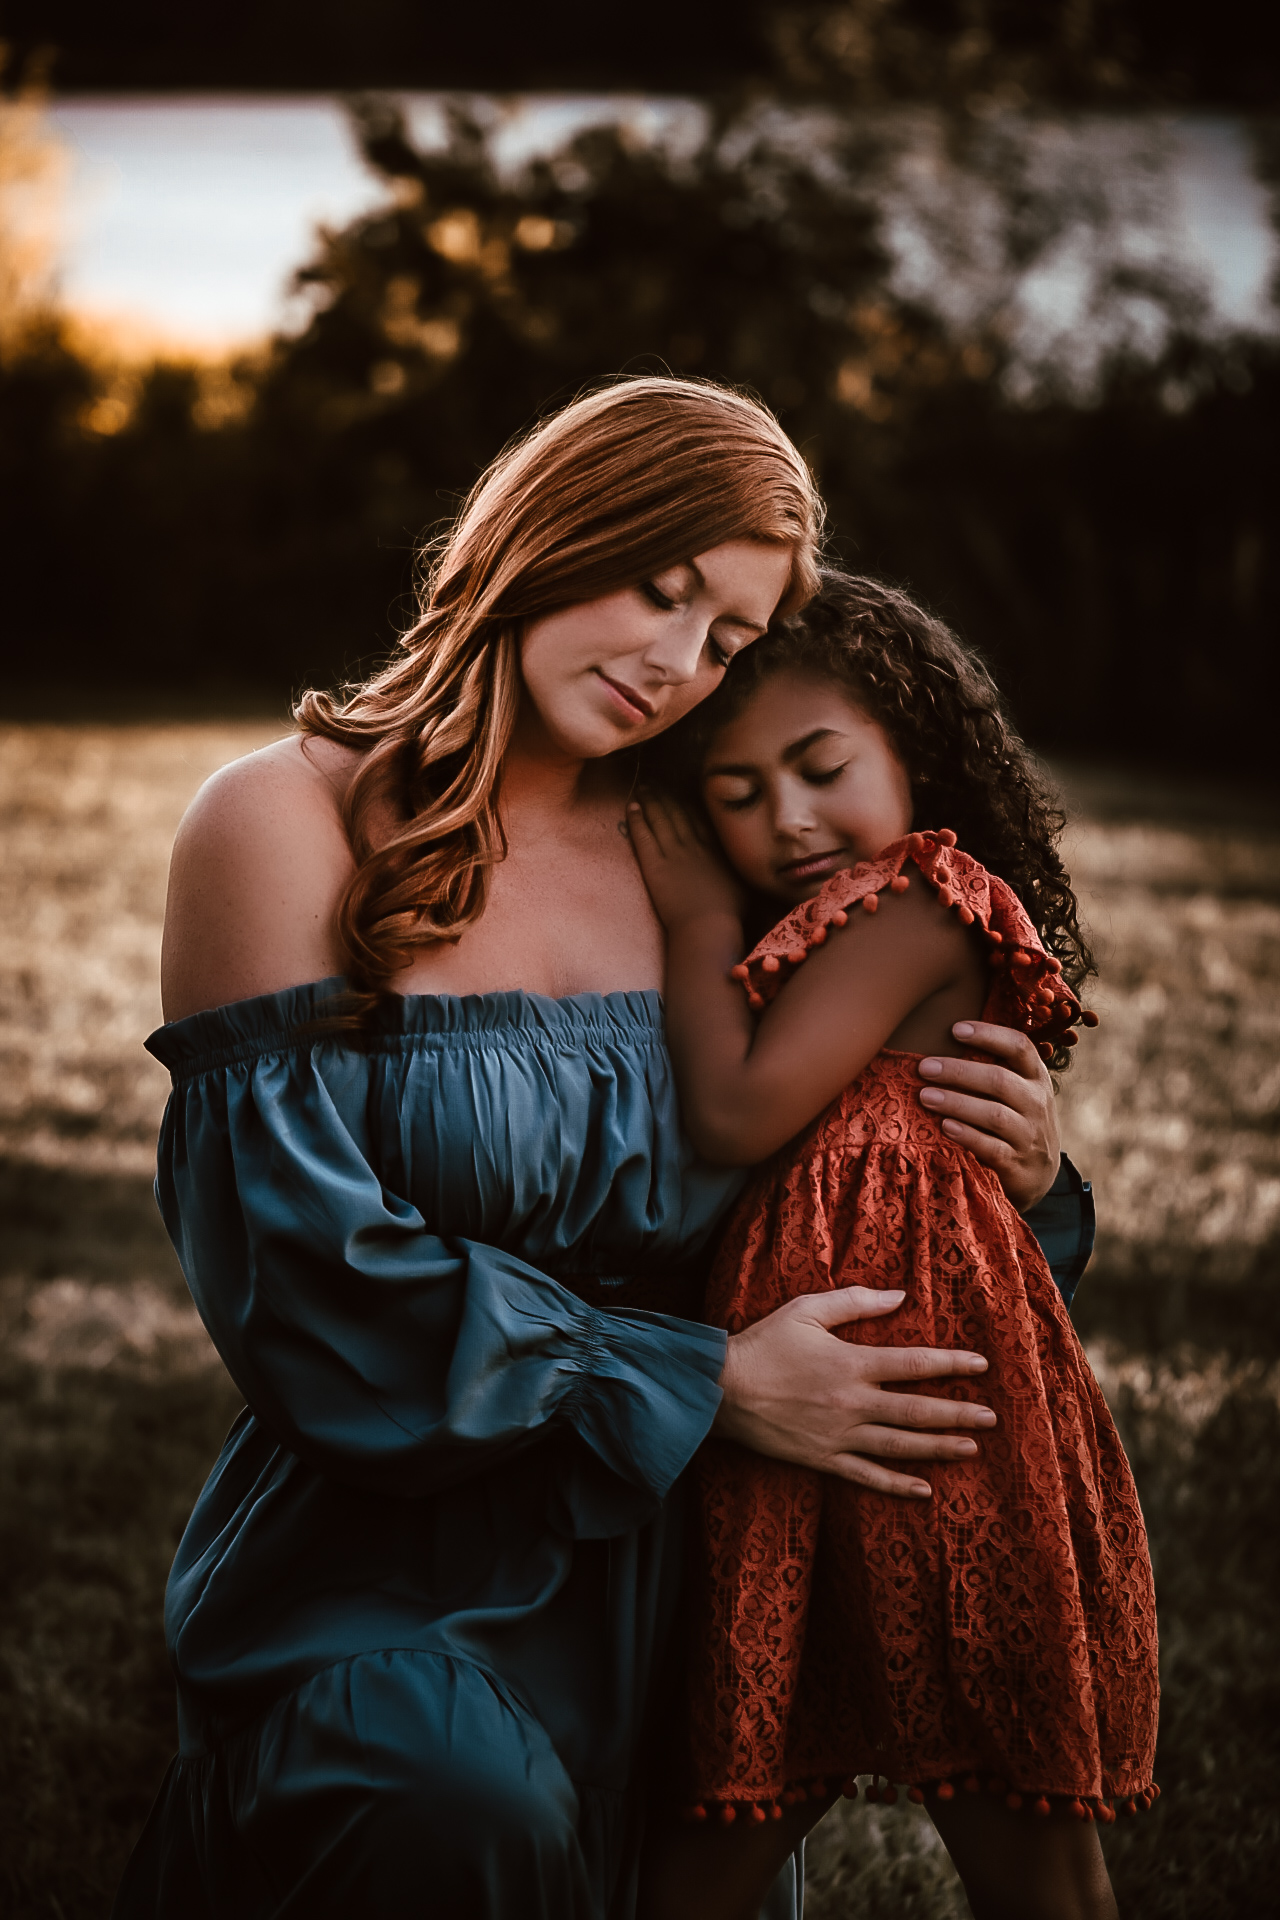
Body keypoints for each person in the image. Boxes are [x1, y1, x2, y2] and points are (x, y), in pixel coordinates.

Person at [112, 380, 1086, 1920]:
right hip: (388, 1552)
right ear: (560, 525)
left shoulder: (722, 847)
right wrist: (701, 1381)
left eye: (729, 642)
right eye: (665, 587)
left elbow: (865, 1193)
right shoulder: (283, 822)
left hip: (701, 1561)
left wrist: (1017, 1173)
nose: (675, 664)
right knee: (455, 1806)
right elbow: (299, 1288)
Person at [627, 571, 1159, 1920]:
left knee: (1016, 1811)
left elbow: (738, 1106)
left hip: (922, 1405)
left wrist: (692, 913)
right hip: (827, 1388)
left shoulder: (920, 901)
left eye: (819, 768)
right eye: (735, 792)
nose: (783, 819)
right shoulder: (836, 921)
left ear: (912, 754)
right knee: (748, 1781)